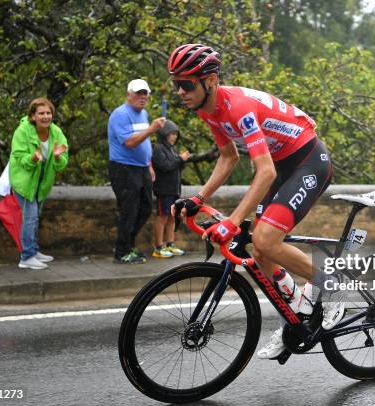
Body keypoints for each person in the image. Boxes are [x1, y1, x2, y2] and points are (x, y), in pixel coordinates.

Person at [168, 44, 344, 359]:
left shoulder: (235, 107)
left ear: (210, 81)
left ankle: (330, 283)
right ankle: (297, 317)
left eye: (187, 84)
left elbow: (264, 173)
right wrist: (198, 197)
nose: (180, 91)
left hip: (308, 159)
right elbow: (228, 156)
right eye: (175, 83)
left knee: (265, 237)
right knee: (261, 250)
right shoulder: (210, 110)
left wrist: (232, 222)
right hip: (281, 163)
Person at [108, 79, 166, 264]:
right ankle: (121, 251)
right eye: (138, 93)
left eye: (145, 94)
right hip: (124, 168)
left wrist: (148, 164)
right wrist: (152, 129)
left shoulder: (144, 114)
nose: (142, 97)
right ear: (129, 94)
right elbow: (130, 142)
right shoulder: (120, 114)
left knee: (146, 208)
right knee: (129, 210)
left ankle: (129, 245)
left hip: (141, 167)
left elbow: (144, 143)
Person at [9, 97, 69, 270]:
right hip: (25, 182)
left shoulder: (56, 132)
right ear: (33, 116)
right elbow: (19, 158)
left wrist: (57, 157)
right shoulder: (23, 131)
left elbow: (63, 161)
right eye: (41, 113)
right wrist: (33, 158)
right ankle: (26, 257)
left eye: (48, 113)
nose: (45, 116)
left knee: (35, 218)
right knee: (30, 218)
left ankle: (34, 251)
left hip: (42, 183)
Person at [151, 120, 191, 258]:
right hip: (164, 190)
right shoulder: (158, 149)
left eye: (175, 134)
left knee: (172, 217)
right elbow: (164, 166)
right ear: (164, 134)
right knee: (162, 217)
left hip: (174, 189)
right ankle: (158, 247)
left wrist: (181, 161)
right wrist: (180, 159)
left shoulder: (171, 149)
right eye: (171, 134)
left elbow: (176, 167)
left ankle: (170, 244)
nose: (174, 137)